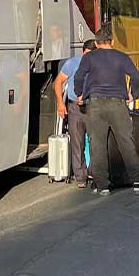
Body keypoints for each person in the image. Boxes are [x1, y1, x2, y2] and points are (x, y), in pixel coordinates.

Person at [74, 29, 139, 196]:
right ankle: (137, 181)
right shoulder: (122, 57)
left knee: (97, 145)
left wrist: (79, 93)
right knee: (126, 142)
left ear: (96, 43)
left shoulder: (89, 58)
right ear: (112, 41)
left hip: (96, 104)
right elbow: (136, 76)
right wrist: (133, 94)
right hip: (117, 103)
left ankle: (103, 185)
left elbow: (79, 77)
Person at [54, 40, 96, 188]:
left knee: (95, 141)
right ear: (83, 51)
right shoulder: (72, 63)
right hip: (74, 108)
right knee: (77, 142)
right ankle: (80, 177)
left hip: (93, 106)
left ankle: (92, 172)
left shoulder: (97, 65)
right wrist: (60, 103)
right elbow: (58, 82)